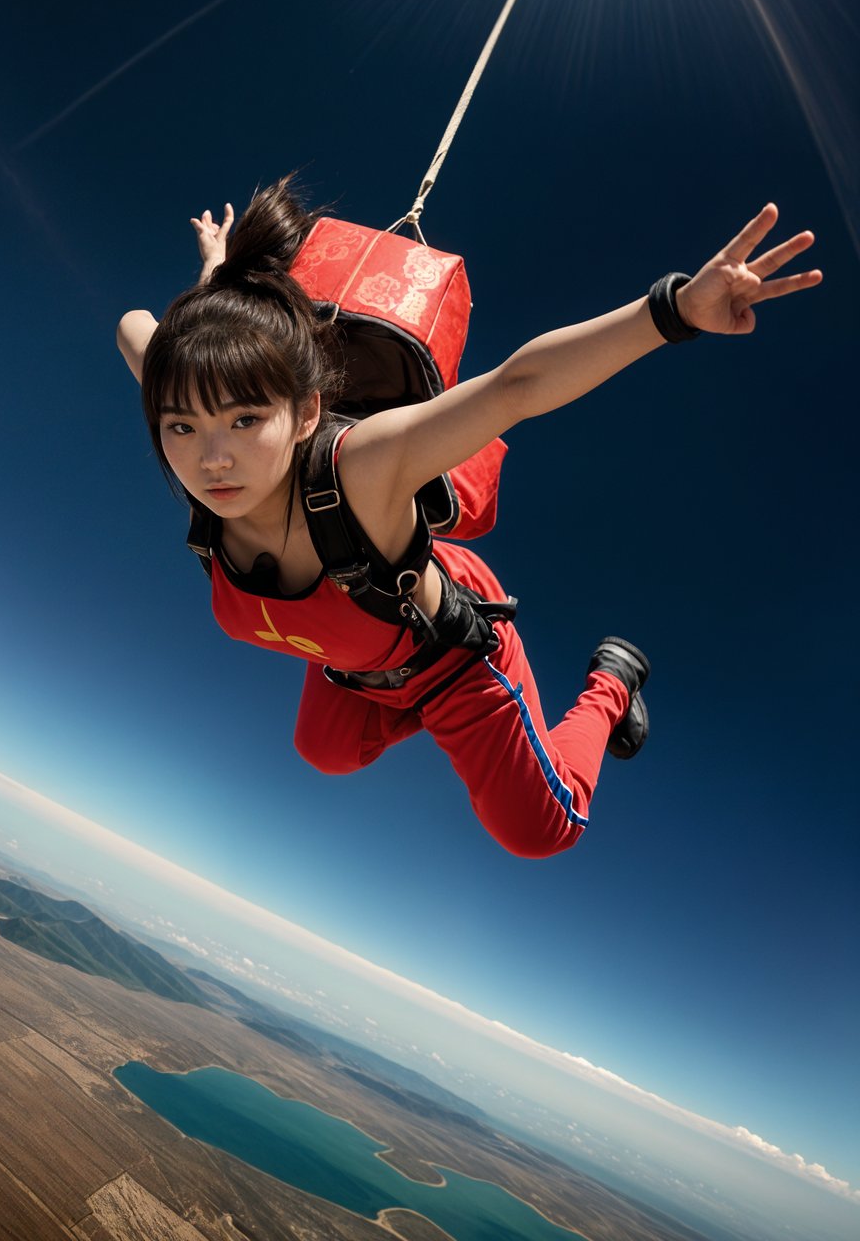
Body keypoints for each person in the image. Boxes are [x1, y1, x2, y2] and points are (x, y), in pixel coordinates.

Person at [117, 177, 820, 860]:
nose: (214, 460)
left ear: (306, 413)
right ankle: (423, 708)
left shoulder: (357, 476)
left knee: (544, 829)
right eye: (180, 426)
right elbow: (140, 331)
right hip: (359, 661)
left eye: (244, 420)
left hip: (445, 654)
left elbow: (517, 386)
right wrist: (216, 276)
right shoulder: (211, 465)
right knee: (324, 751)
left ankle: (613, 681)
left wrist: (672, 313)